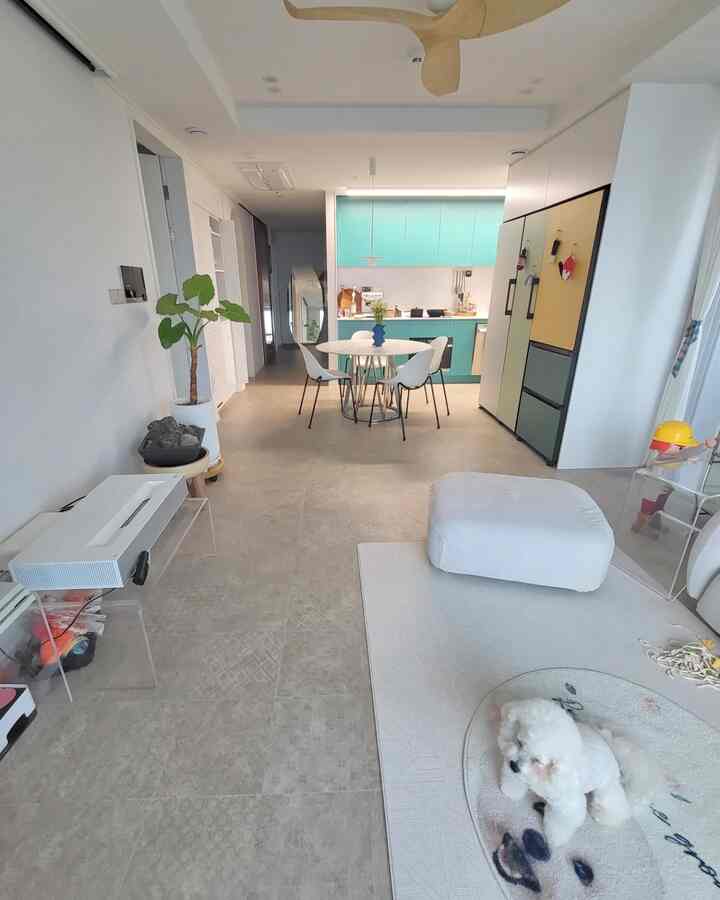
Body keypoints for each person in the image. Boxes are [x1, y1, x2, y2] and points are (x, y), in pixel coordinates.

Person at [632, 421, 717, 534]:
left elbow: (683, 455)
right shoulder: (667, 456)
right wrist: (705, 446)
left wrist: (689, 459)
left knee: (659, 506)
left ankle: (654, 523)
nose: (684, 449)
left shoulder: (671, 455)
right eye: (682, 447)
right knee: (647, 509)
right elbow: (686, 453)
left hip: (666, 486)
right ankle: (639, 524)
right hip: (655, 488)